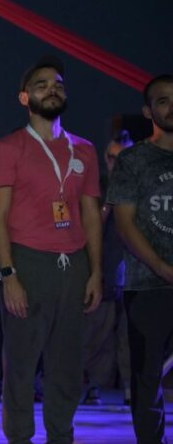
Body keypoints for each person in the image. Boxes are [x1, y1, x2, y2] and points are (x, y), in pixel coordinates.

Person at [0, 54, 103, 444]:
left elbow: (91, 215)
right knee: (20, 364)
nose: (51, 89)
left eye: (57, 84)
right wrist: (8, 272)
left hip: (73, 264)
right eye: (40, 84)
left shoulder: (85, 150)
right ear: (24, 97)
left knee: (66, 365)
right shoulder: (7, 148)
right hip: (28, 261)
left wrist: (95, 272)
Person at [108, 73, 173, 444]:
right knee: (147, 375)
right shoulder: (133, 161)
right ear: (149, 112)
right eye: (163, 101)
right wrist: (164, 268)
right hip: (148, 284)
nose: (172, 107)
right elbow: (125, 224)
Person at [82, 131, 134, 406]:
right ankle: (93, 386)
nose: (117, 163)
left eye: (122, 157)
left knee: (130, 335)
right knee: (96, 334)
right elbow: (90, 228)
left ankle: (130, 386)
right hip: (104, 270)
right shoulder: (98, 188)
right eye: (112, 158)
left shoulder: (140, 186)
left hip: (135, 272)